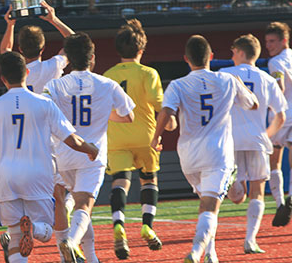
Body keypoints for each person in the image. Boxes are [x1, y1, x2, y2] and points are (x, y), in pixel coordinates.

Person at [0, 51, 99, 263]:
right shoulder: (44, 103)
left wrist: (3, 157)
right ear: (26, 72)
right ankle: (32, 228)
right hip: (37, 173)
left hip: (6, 174)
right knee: (46, 231)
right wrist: (91, 149)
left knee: (15, 236)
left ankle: (24, 231)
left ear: (3, 78)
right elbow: (71, 140)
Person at [151, 35, 258, 263]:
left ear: (186, 60)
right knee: (210, 206)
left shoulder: (177, 85)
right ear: (211, 56)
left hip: (188, 155)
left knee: (206, 203)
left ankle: (211, 254)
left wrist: (155, 138)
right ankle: (197, 252)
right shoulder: (228, 79)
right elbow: (253, 104)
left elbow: (166, 114)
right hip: (217, 154)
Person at [43, 33, 135, 263]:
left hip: (64, 153)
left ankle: (91, 256)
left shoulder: (54, 84)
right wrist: (104, 115)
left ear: (69, 59)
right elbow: (129, 116)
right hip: (92, 155)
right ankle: (72, 243)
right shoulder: (107, 84)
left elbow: (44, 113)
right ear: (92, 58)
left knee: (76, 205)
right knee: (84, 205)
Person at [103, 19, 166, 259]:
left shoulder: (108, 76)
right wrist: (168, 121)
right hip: (145, 135)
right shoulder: (149, 73)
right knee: (149, 180)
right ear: (141, 50)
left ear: (119, 50)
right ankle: (147, 225)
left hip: (116, 137)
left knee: (120, 181)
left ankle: (118, 223)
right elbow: (158, 103)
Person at [220, 34, 287, 254]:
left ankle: (233, 184)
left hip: (231, 139)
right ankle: (250, 240)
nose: (232, 55)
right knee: (257, 190)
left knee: (236, 195)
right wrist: (268, 135)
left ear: (240, 52)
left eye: (233, 51)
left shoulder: (224, 74)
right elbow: (281, 116)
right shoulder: (267, 78)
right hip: (257, 138)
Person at [0, 2, 73, 94]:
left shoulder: (16, 70)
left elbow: (4, 49)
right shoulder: (53, 66)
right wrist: (53, 20)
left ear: (20, 49)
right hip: (48, 108)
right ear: (43, 48)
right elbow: (75, 42)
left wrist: (10, 25)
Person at [264, 22, 292, 227]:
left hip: (281, 115)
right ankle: (289, 198)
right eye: (266, 42)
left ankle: (281, 204)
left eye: (272, 41)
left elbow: (279, 87)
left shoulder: (275, 62)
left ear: (283, 40)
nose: (268, 45)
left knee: (274, 162)